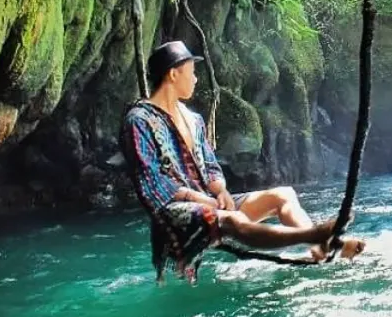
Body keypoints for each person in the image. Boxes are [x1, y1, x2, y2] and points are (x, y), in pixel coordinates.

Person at [121, 40, 364, 282]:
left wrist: (220, 190)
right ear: (174, 74)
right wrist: (199, 198)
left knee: (284, 195)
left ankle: (320, 248)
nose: (195, 79)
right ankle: (315, 235)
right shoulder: (139, 120)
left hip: (210, 202)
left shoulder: (193, 119)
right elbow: (151, 183)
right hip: (175, 217)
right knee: (234, 219)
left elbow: (209, 163)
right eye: (192, 72)